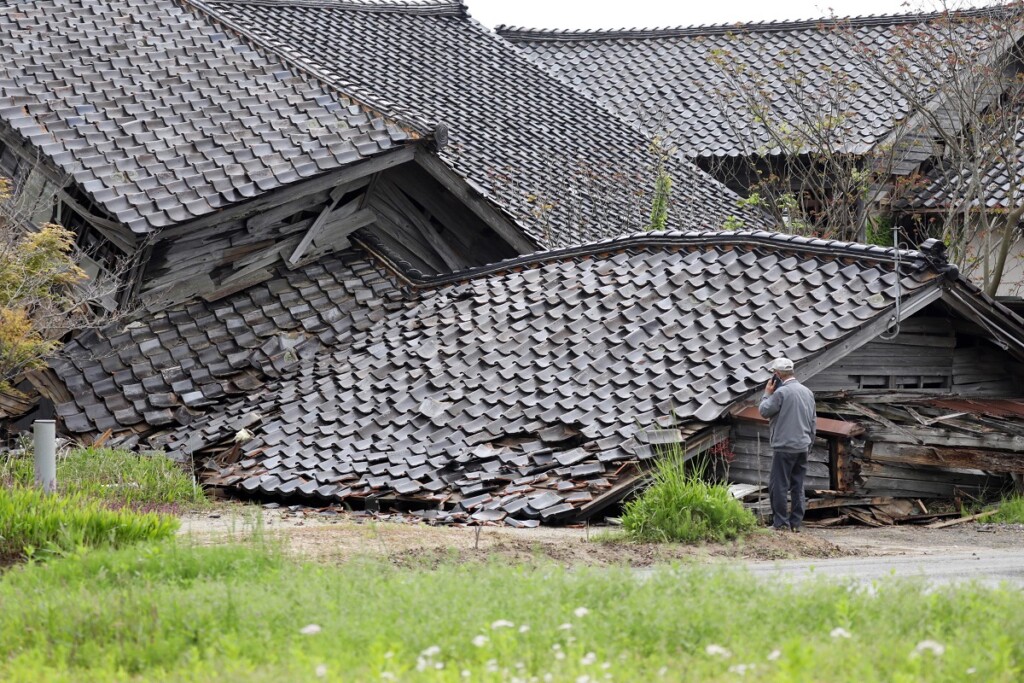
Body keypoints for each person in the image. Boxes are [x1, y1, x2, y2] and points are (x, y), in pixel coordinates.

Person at [758, 357, 816, 532]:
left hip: (784, 447)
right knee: (798, 485)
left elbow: (764, 411)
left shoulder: (780, 393)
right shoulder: (807, 392)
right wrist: (809, 443)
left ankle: (781, 524)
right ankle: (796, 524)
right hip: (803, 446)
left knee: (779, 485)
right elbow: (813, 421)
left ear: (777, 375)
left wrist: (767, 393)